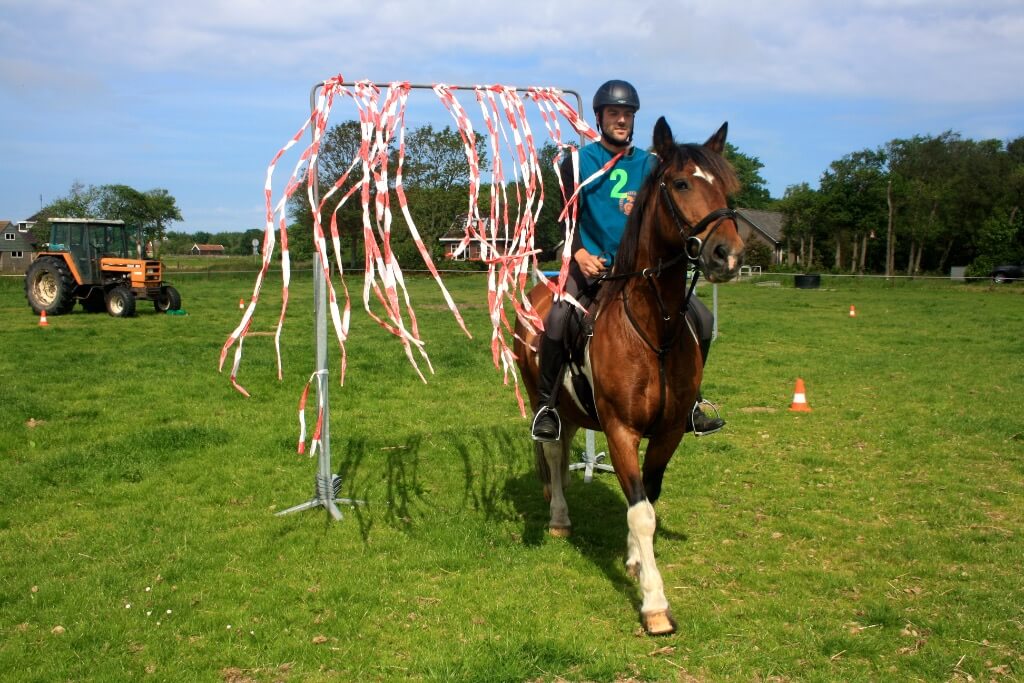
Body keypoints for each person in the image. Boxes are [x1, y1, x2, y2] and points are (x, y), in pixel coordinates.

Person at [531, 79, 726, 442]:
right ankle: (548, 406)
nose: (621, 120)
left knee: (702, 318)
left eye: (627, 114)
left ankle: (691, 401)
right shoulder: (578, 162)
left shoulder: (652, 165)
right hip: (592, 266)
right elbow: (567, 217)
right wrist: (578, 253)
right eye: (613, 113)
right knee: (557, 320)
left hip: (640, 272)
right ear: (600, 117)